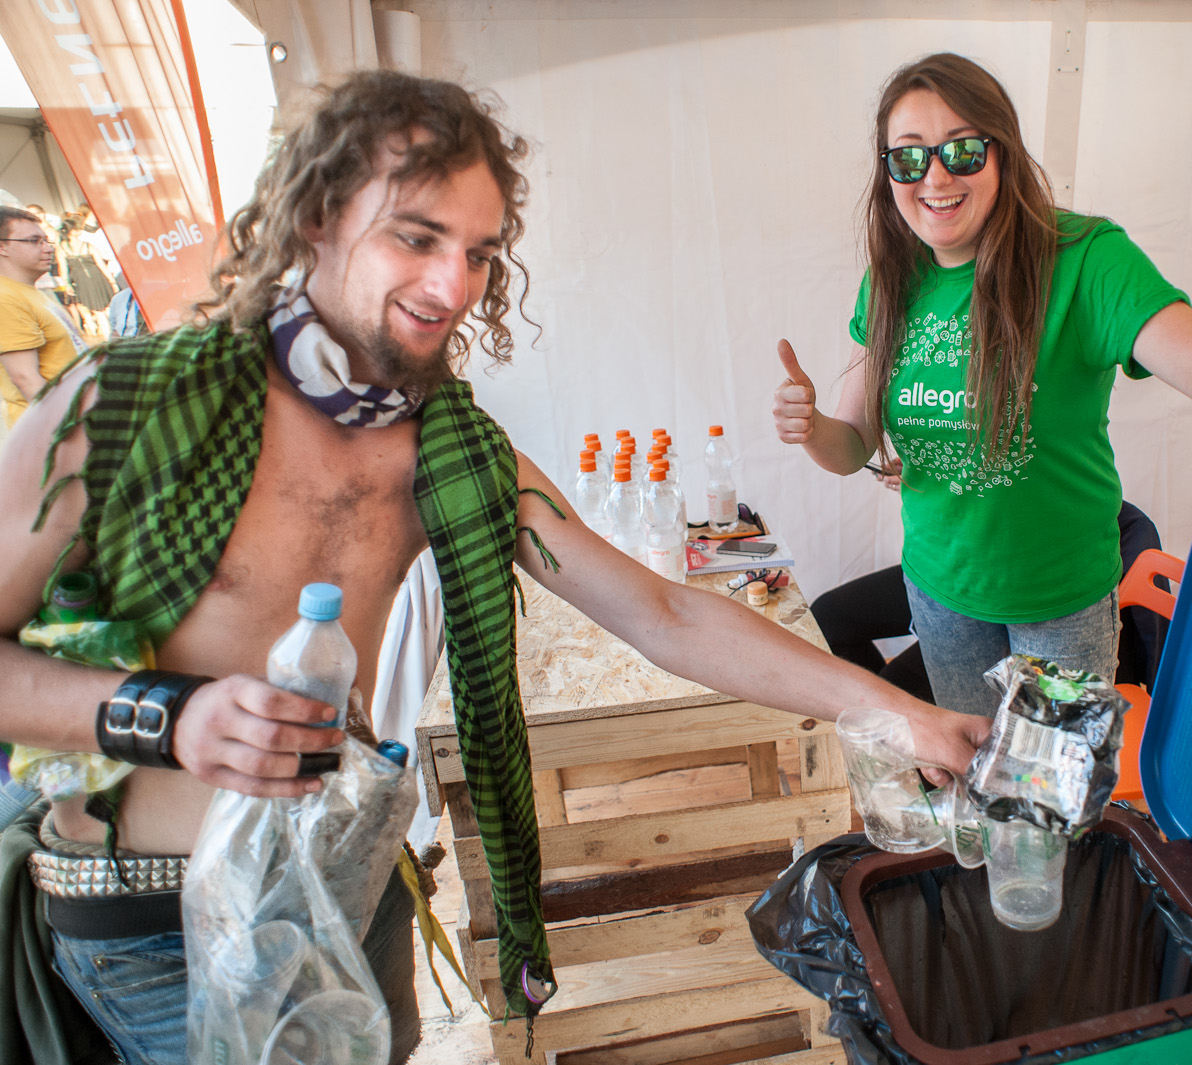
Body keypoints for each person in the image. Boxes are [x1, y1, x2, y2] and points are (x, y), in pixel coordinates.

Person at [0, 71, 987, 1064]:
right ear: (314, 217)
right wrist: (169, 716)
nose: (452, 287)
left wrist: (902, 713)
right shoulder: (122, 408)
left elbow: (664, 613)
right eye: (416, 237)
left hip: (345, 889)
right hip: (153, 924)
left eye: (477, 253)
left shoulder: (447, 447)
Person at [772, 53, 1192, 717]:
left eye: (963, 150)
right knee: (974, 767)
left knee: (1050, 783)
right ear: (888, 172)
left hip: (1062, 609)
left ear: (1003, 153)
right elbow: (853, 444)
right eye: (909, 157)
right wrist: (813, 428)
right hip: (941, 597)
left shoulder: (1084, 260)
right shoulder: (890, 282)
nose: (935, 176)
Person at [0, 206, 77, 427]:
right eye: (34, 241)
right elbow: (26, 380)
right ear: (2, 247)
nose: (48, 248)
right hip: (53, 429)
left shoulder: (28, 292)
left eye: (46, 240)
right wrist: (70, 429)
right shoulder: (5, 298)